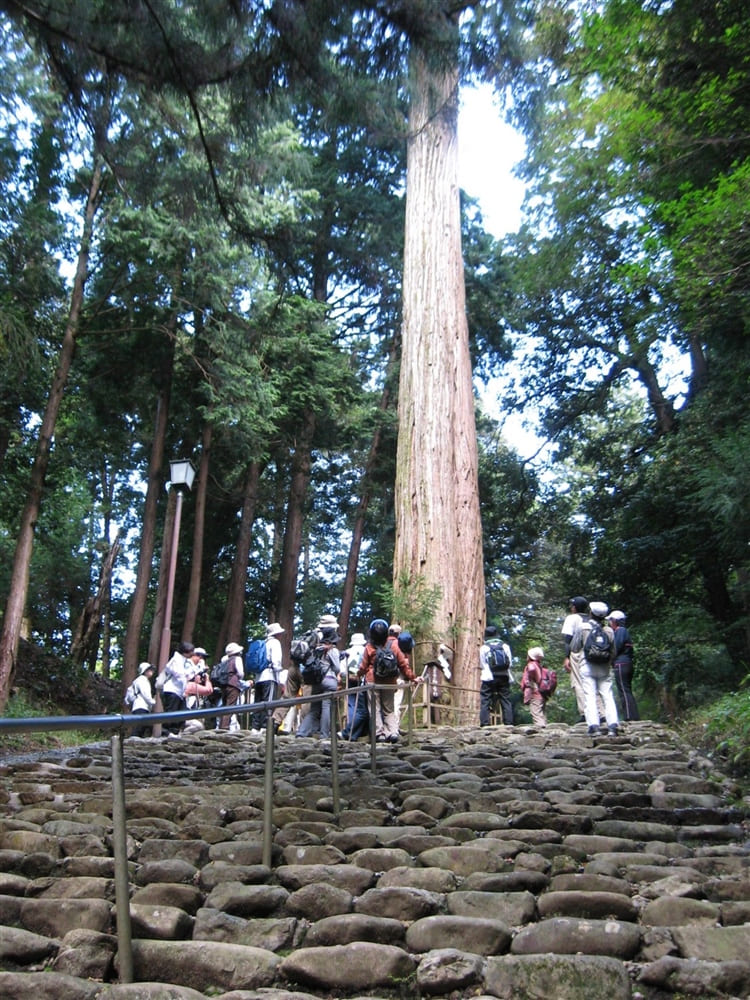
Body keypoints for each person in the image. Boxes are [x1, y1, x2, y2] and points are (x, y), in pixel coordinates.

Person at [358, 618, 420, 744]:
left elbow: (363, 666)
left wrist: (358, 674)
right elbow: (403, 664)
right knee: (389, 709)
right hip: (390, 681)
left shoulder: (369, 647)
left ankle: (379, 733)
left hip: (372, 681)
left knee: (375, 709)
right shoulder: (394, 645)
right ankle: (392, 732)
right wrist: (413, 677)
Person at [570, 600, 619, 736]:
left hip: (587, 665)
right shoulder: (609, 630)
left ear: (591, 613)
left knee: (589, 695)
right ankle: (613, 726)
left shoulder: (583, 627)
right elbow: (613, 651)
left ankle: (594, 726)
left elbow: (574, 647)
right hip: (604, 667)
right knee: (608, 695)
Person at [296, 619, 342, 739]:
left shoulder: (317, 649)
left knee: (314, 709)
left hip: (317, 680)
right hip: (329, 679)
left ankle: (301, 732)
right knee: (327, 707)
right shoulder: (333, 650)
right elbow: (337, 668)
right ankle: (324, 734)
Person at [479, 625, 514, 726]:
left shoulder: (484, 648)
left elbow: (482, 664)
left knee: (485, 699)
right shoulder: (505, 646)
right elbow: (510, 663)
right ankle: (508, 722)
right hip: (504, 675)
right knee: (505, 699)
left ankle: (485, 723)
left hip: (488, 677)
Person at [609, 610, 640, 721]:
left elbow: (616, 647)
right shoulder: (623, 631)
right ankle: (632, 715)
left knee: (624, 690)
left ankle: (629, 716)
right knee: (626, 689)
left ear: (615, 621)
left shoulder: (620, 631)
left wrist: (610, 658)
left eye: (610, 620)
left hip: (621, 664)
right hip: (626, 663)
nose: (609, 623)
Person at [561, 596, 588, 721]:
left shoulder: (572, 618)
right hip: (592, 653)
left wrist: (566, 657)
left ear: (574, 607)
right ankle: (600, 712)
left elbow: (568, 639)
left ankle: (584, 712)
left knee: (578, 682)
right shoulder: (591, 618)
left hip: (577, 652)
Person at [252, 623, 284, 730]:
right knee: (268, 702)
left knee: (258, 702)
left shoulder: (262, 643)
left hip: (258, 677)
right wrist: (279, 674)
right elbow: (276, 661)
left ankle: (255, 727)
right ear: (277, 633)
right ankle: (265, 728)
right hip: (269, 676)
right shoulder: (275, 643)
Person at [161, 640, 194, 735]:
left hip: (180, 691)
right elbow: (179, 675)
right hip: (172, 689)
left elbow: (186, 675)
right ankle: (166, 732)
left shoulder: (185, 661)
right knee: (171, 712)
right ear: (185, 651)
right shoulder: (176, 660)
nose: (192, 653)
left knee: (182, 712)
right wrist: (185, 688)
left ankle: (175, 731)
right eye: (191, 651)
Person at [219, 641, 244, 731]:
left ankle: (221, 725)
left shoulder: (224, 659)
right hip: (233, 684)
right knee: (230, 706)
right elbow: (240, 673)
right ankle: (225, 727)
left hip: (223, 684)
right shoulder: (237, 659)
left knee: (224, 704)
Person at [521, 646, 548, 727]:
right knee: (541, 713)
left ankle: (541, 730)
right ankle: (544, 727)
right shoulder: (539, 665)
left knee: (536, 712)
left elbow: (531, 670)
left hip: (535, 693)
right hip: (541, 693)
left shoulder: (532, 665)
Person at [129, 661, 156, 737]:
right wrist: (153, 702)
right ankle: (132, 743)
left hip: (141, 706)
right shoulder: (142, 680)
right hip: (141, 706)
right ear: (145, 671)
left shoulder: (141, 680)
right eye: (149, 669)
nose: (151, 671)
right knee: (138, 728)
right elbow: (146, 694)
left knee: (142, 727)